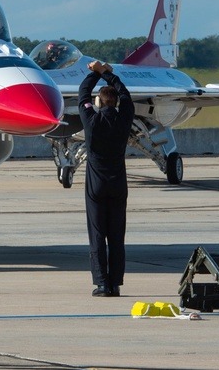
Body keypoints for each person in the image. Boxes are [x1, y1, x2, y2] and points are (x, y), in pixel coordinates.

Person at [78, 60, 135, 297]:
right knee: (116, 235)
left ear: (99, 103)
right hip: (118, 183)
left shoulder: (92, 121)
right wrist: (109, 75)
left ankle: (102, 284)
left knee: (97, 234)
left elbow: (82, 95)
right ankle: (116, 284)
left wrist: (95, 73)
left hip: (96, 184)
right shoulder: (124, 119)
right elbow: (126, 96)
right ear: (117, 103)